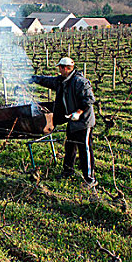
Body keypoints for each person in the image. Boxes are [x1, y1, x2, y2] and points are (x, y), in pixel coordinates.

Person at [30, 57, 97, 188]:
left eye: (60, 68)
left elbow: (89, 100)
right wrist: (32, 78)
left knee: (85, 149)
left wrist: (78, 112)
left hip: (84, 121)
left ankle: (90, 179)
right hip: (71, 120)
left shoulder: (80, 82)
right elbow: (47, 81)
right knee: (70, 147)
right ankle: (68, 171)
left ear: (66, 68)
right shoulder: (62, 81)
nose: (59, 70)